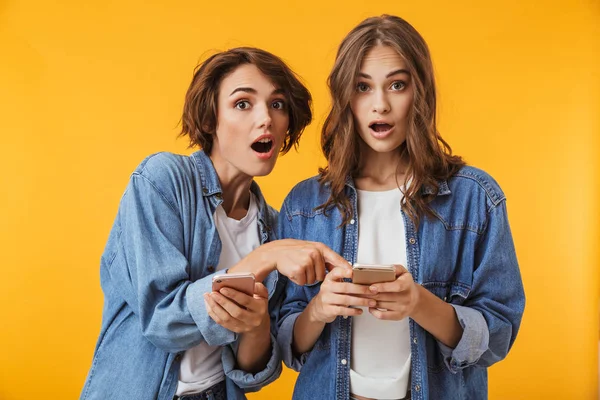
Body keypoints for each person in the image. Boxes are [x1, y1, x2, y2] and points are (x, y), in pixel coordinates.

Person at [276, 15, 525, 400]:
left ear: (419, 92)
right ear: (346, 98)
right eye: (363, 87)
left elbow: (499, 334)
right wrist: (320, 309)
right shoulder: (305, 205)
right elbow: (284, 343)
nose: (380, 105)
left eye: (397, 85)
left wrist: (419, 303)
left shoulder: (475, 197)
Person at [80, 47, 347, 400]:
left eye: (277, 104)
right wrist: (264, 257)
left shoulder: (273, 225)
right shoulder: (162, 181)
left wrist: (255, 326)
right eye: (242, 103)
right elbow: (163, 320)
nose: (265, 118)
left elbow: (252, 374)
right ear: (210, 120)